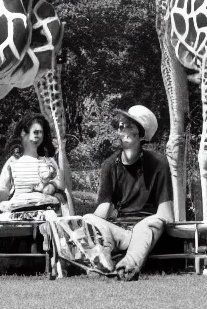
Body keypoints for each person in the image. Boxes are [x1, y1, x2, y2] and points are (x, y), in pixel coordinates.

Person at [83, 105, 174, 281]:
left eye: (130, 126)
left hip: (146, 227)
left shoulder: (159, 163)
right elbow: (104, 208)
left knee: (152, 223)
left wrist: (164, 227)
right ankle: (104, 263)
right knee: (88, 218)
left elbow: (165, 213)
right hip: (120, 231)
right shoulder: (109, 164)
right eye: (121, 126)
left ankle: (128, 267)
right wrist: (85, 225)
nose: (123, 129)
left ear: (141, 134)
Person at [0, 113, 65, 219]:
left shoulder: (48, 162)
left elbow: (61, 183)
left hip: (44, 209)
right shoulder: (13, 162)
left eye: (40, 133)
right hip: (17, 208)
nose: (36, 137)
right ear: (23, 134)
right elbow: (2, 189)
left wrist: (53, 186)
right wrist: (1, 194)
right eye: (34, 132)